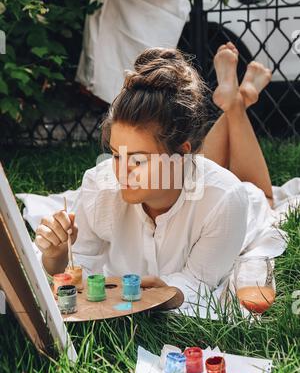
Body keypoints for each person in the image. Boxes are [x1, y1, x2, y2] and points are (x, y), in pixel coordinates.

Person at [34, 43, 287, 311]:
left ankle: (238, 103)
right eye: (116, 155)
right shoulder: (100, 186)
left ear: (180, 155)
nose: (121, 171)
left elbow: (199, 282)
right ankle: (238, 99)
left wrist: (169, 291)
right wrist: (56, 255)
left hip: (240, 204)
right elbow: (76, 267)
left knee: (263, 193)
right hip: (189, 173)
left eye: (139, 160)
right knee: (203, 171)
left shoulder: (226, 198)